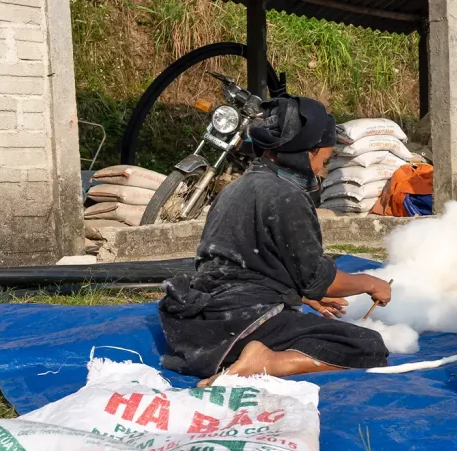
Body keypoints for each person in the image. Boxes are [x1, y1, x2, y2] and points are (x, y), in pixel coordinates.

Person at [159, 95, 392, 387]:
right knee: (367, 344)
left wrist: (304, 298)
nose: (323, 169)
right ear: (306, 152)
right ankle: (267, 362)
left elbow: (239, 266)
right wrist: (372, 284)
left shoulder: (235, 189)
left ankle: (241, 360)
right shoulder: (287, 196)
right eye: (325, 159)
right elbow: (319, 280)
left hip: (200, 331)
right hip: (242, 323)